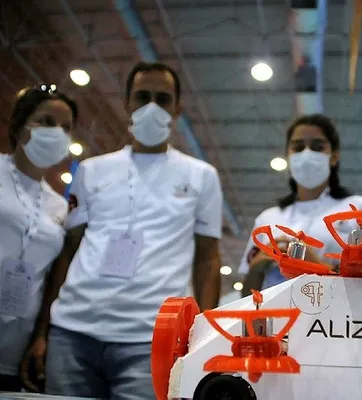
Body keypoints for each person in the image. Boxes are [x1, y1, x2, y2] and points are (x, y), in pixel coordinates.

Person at [20, 62, 224, 399]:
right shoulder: (90, 171)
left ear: (177, 108)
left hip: (151, 340)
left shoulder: (201, 176)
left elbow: (208, 260)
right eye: (142, 97)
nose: (152, 107)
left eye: (163, 99)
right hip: (72, 334)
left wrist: (203, 338)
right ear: (126, 102)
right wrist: (42, 332)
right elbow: (69, 252)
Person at [239, 114, 362, 294]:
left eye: (317, 147)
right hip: (277, 310)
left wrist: (316, 265)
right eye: (298, 147)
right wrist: (257, 266)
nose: (306, 154)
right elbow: (245, 295)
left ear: (334, 156)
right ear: (288, 155)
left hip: (339, 310)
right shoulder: (267, 219)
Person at [0, 85, 75, 392]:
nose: (56, 132)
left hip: (16, 347)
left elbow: (52, 279)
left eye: (66, 128)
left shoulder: (58, 205)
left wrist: (42, 334)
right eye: (46, 121)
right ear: (19, 126)